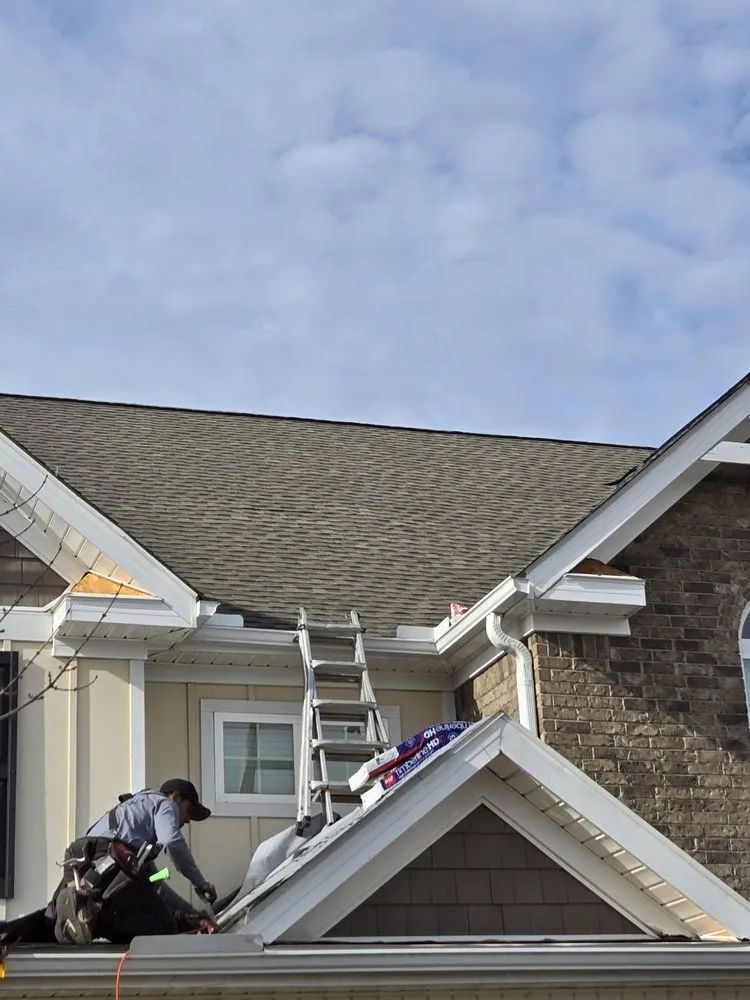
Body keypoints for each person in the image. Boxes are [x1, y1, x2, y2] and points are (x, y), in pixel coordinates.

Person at [52, 778, 218, 946]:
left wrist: (190, 912)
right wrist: (200, 883)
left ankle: (85, 914)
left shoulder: (135, 821)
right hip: (109, 867)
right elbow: (171, 841)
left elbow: (156, 887)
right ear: (175, 797)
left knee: (157, 916)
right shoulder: (164, 804)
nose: (187, 820)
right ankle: (97, 916)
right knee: (165, 925)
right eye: (188, 810)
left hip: (87, 870)